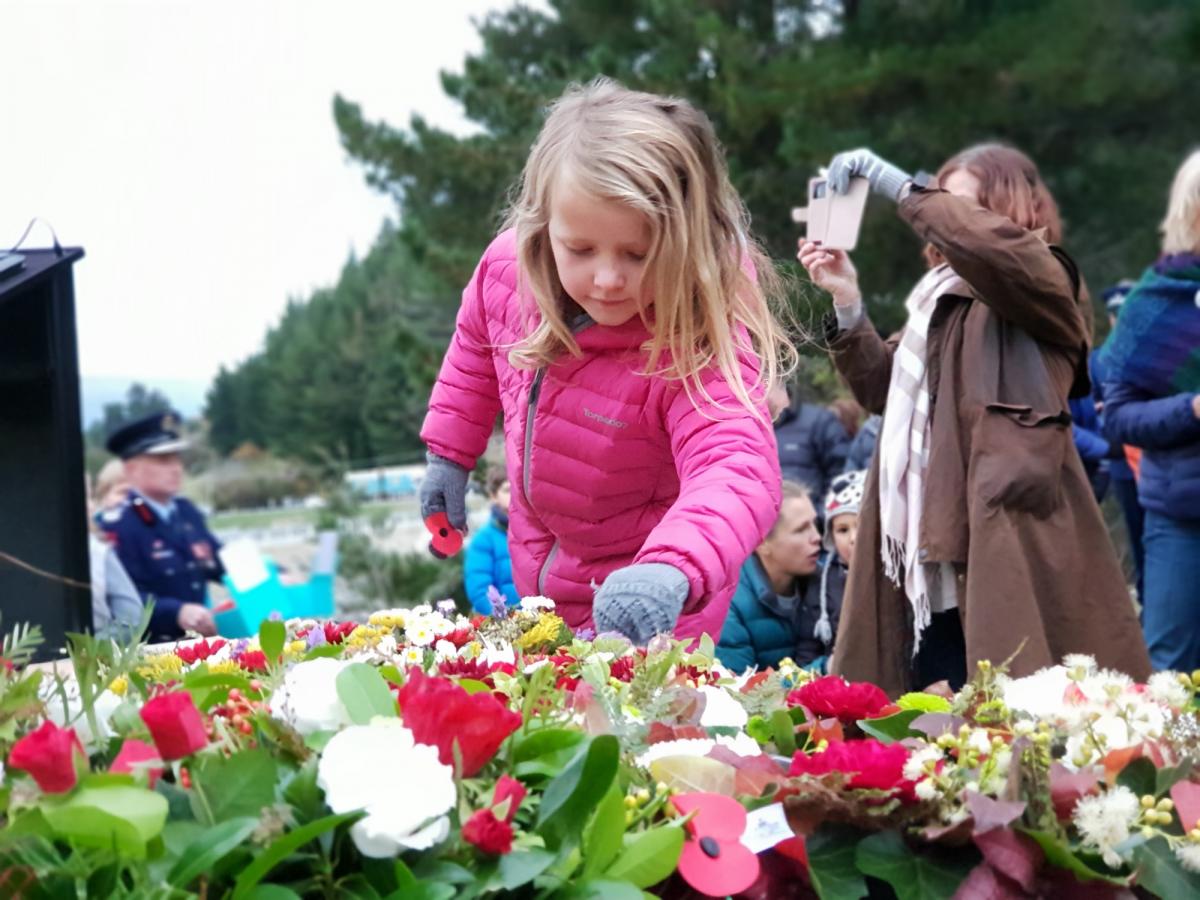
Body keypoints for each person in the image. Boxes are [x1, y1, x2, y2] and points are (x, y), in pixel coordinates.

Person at [419, 78, 791, 645]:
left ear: (685, 239)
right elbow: (474, 346)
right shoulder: (505, 269)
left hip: (658, 599)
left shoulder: (693, 338)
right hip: (541, 573)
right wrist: (449, 454)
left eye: (639, 253)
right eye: (582, 250)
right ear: (543, 226)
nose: (609, 279)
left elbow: (735, 465)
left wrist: (671, 565)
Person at [799, 143, 1150, 693]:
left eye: (957, 204)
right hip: (925, 533)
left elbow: (993, 250)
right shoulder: (935, 300)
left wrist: (898, 185)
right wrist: (848, 301)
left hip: (1007, 528)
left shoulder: (1046, 278)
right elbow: (880, 389)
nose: (941, 217)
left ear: (1006, 207)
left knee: (1022, 706)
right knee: (928, 703)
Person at [1101, 149, 1200, 672]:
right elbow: (1117, 420)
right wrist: (1193, 409)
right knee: (1172, 680)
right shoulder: (1157, 302)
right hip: (1184, 520)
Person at [104, 411, 222, 642]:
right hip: (151, 650)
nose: (176, 468)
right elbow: (121, 598)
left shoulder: (185, 510)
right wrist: (176, 612)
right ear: (131, 469)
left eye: (176, 459)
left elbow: (218, 559)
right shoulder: (118, 524)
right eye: (162, 461)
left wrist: (273, 574)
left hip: (198, 644)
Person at [715, 482, 821, 673]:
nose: (816, 537)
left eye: (815, 524)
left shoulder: (828, 583)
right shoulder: (728, 604)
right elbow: (742, 691)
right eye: (801, 529)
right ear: (761, 543)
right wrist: (828, 667)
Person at [1092, 280, 1144, 598]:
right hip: (1121, 460)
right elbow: (1086, 408)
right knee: (1136, 533)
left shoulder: (1158, 351)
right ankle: (1145, 595)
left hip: (1156, 457)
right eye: (1116, 314)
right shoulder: (1097, 361)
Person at [799, 469, 865, 673]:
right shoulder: (823, 580)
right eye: (843, 530)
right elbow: (807, 646)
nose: (853, 538)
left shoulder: (895, 576)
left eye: (862, 525)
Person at [773, 388, 851, 508]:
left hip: (813, 519)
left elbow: (842, 475)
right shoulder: (747, 426)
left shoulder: (820, 422)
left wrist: (820, 515)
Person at [463, 468, 520, 615]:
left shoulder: (538, 534)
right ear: (494, 496)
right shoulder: (483, 540)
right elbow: (480, 590)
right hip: (507, 627)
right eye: (507, 490)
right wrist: (504, 621)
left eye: (518, 488)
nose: (514, 495)